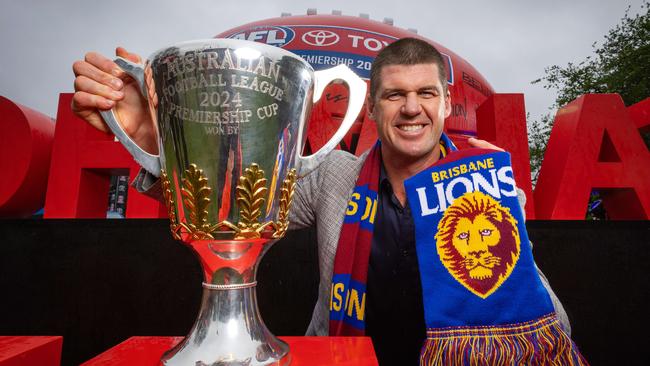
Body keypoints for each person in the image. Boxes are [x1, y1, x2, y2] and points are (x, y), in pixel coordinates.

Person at [72, 38, 570, 365]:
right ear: (372, 106)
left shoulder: (482, 186)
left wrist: (515, 265)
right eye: (395, 95)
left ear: (445, 102)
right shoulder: (336, 175)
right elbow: (235, 211)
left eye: (426, 93)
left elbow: (551, 324)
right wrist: (151, 138)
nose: (412, 108)